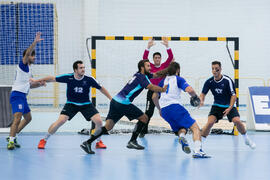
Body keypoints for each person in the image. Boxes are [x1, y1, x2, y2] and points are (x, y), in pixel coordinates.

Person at [80, 59, 168, 154]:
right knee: (144, 118)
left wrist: (167, 70)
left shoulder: (138, 75)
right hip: (123, 103)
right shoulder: (142, 77)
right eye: (148, 66)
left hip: (115, 101)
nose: (150, 68)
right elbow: (151, 87)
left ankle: (87, 143)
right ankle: (132, 141)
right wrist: (163, 89)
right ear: (142, 68)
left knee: (108, 126)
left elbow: (156, 75)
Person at [36, 60, 112, 149]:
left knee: (99, 121)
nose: (83, 70)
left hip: (86, 104)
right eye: (81, 68)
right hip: (71, 104)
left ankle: (98, 141)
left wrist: (111, 99)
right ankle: (44, 140)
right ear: (75, 70)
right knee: (60, 121)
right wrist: (37, 80)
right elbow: (52, 78)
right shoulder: (69, 77)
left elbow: (102, 89)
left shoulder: (89, 79)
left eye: (83, 67)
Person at [152, 62, 209, 158]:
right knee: (195, 128)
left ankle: (182, 137)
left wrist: (159, 109)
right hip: (175, 107)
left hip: (165, 111)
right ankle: (198, 150)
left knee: (181, 128)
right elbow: (190, 90)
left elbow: (154, 97)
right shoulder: (178, 79)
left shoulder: (162, 81)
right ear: (178, 70)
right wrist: (196, 97)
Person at [199, 61, 256, 149]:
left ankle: (246, 139)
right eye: (213, 69)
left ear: (220, 69)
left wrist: (230, 108)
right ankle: (199, 145)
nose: (215, 71)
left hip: (229, 105)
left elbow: (234, 95)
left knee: (237, 121)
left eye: (217, 69)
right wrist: (201, 100)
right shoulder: (209, 81)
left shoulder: (227, 80)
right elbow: (203, 93)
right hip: (217, 105)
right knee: (210, 122)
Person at [7, 32, 46, 150]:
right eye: (32, 55)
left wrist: (39, 84)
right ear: (27, 57)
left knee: (28, 118)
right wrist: (35, 42)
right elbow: (28, 52)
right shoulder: (22, 65)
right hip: (17, 95)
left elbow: (29, 85)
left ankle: (12, 136)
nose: (34, 57)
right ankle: (11, 141)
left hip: (23, 96)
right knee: (18, 117)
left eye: (34, 55)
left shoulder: (29, 70)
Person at [140, 37, 174, 137]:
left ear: (160, 59)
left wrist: (167, 46)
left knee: (168, 112)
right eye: (155, 58)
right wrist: (148, 47)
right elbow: (144, 58)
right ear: (153, 59)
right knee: (148, 113)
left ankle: (176, 130)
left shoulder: (165, 66)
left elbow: (170, 57)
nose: (157, 59)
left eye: (159, 58)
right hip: (151, 91)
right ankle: (143, 131)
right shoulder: (149, 66)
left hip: (162, 93)